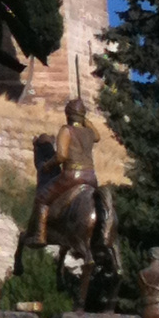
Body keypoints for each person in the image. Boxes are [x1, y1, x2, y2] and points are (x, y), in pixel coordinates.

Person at [23, 97, 100, 248]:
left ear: (68, 115)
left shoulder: (66, 130)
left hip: (72, 176)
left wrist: (47, 166)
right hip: (91, 177)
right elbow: (97, 136)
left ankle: (40, 235)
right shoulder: (89, 133)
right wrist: (87, 121)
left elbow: (61, 156)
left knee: (42, 198)